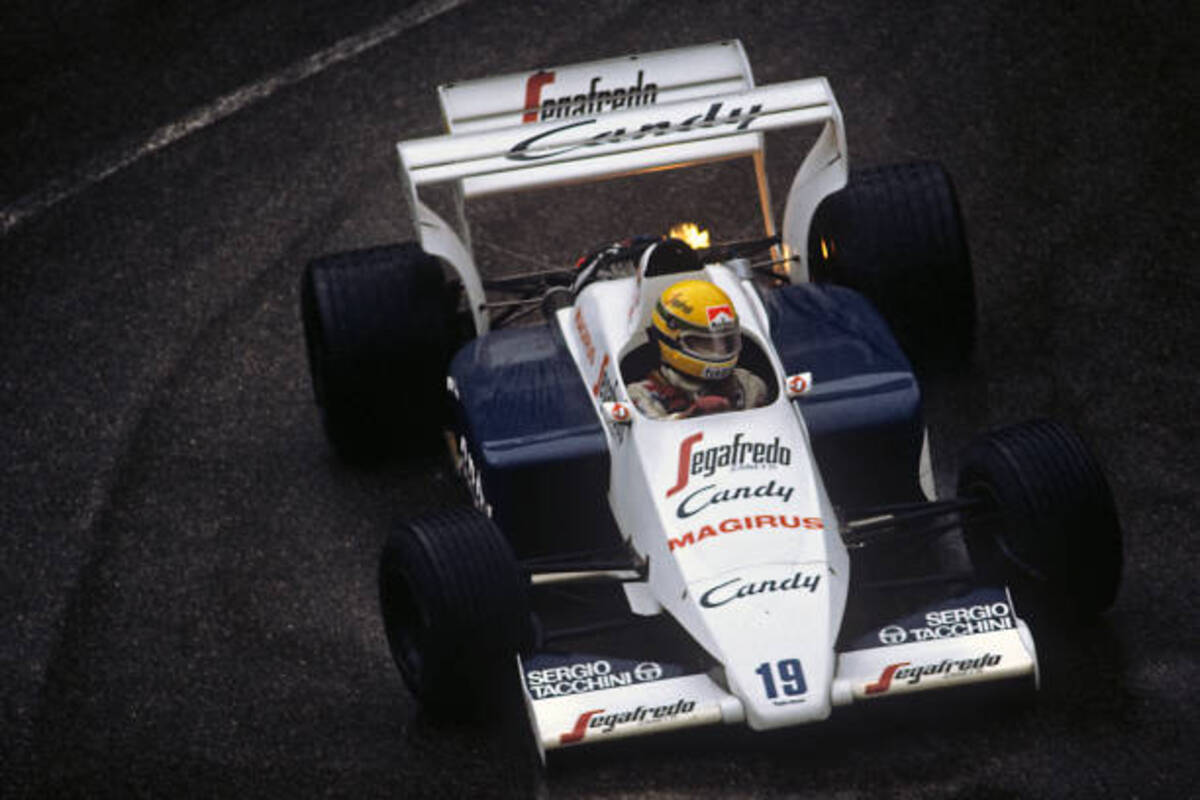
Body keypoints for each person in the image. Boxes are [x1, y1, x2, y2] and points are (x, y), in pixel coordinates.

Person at [628, 278, 768, 419]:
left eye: (725, 341)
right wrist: (689, 416)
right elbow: (649, 435)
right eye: (705, 344)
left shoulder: (749, 386)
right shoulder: (640, 394)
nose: (718, 351)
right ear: (671, 340)